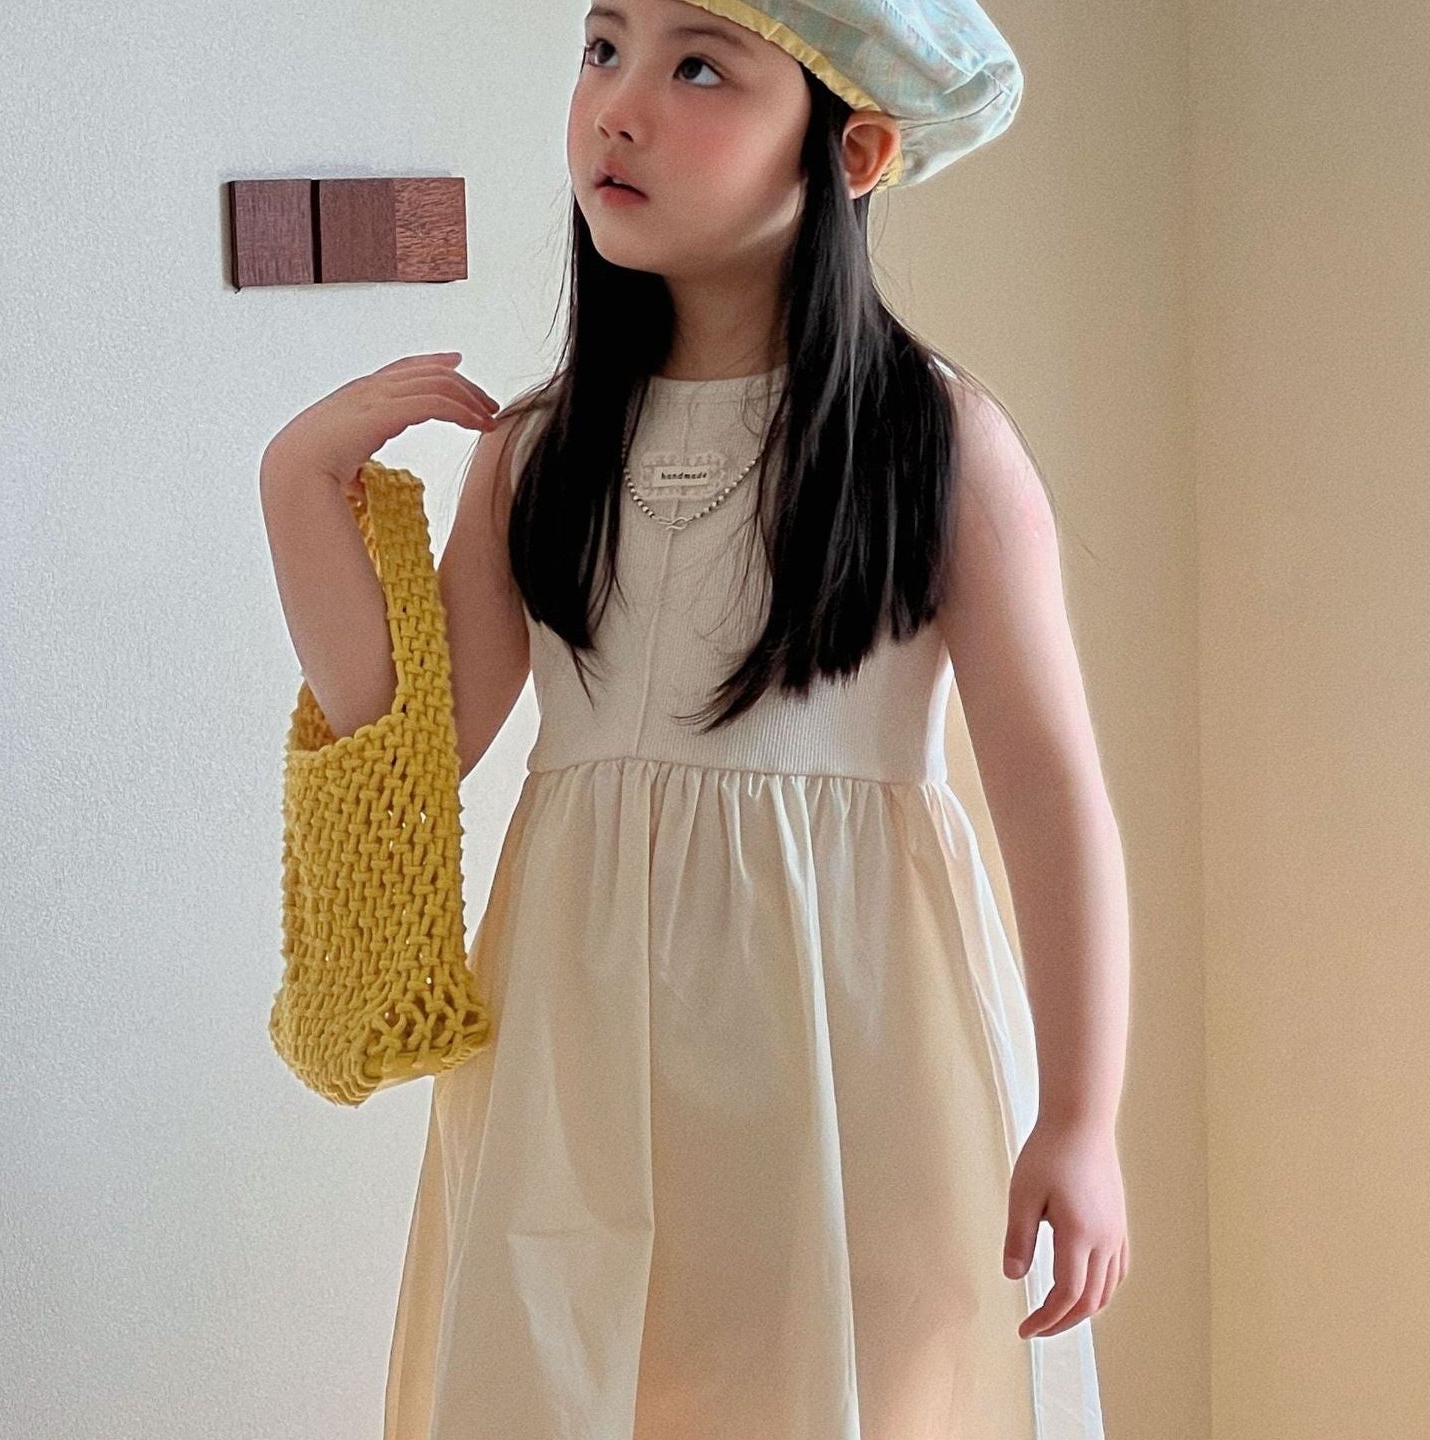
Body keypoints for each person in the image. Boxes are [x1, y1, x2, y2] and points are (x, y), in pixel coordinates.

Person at [260, 2, 1129, 1435]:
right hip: (570, 1051)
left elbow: (1050, 794)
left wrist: (1081, 1119)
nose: (619, 105)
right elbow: (410, 743)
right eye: (603, 48)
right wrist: (298, 488)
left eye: (700, 67)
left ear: (852, 151)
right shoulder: (538, 450)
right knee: (563, 1379)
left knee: (837, 1384)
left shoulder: (930, 440)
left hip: (851, 1039)